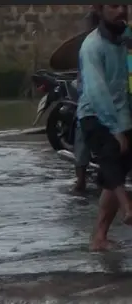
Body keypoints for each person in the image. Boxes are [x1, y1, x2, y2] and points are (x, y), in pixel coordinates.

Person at [76, 4, 132, 252]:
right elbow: (97, 93)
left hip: (121, 113)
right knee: (112, 153)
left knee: (113, 177)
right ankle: (127, 207)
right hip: (95, 115)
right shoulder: (92, 47)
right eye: (113, 6)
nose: (122, 10)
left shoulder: (123, 36)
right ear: (100, 11)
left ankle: (99, 236)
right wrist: (115, 128)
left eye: (125, 5)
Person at [73, 7, 102, 194]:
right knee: (81, 135)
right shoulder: (88, 46)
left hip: (110, 101)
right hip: (91, 103)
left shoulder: (117, 44)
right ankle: (81, 180)